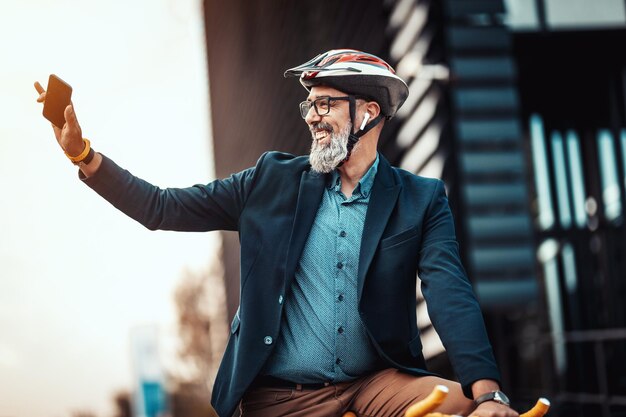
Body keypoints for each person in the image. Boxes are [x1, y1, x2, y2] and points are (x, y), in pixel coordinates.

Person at [35, 49, 518, 417]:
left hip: (375, 383)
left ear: (368, 113)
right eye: (310, 104)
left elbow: (450, 294)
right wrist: (84, 155)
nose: (311, 115)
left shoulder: (422, 198)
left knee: (454, 405)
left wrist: (488, 392)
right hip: (282, 398)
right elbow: (161, 206)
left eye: (326, 103)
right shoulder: (269, 181)